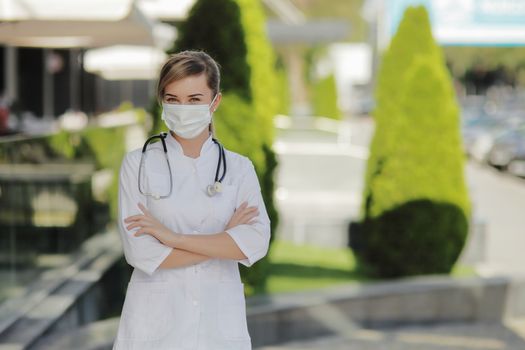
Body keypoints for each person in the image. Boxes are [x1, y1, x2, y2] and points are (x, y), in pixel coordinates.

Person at [112, 50, 271, 350]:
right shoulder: (139, 164)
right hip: (155, 327)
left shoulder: (238, 168)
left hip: (219, 327)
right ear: (162, 101)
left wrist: (171, 237)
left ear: (215, 102)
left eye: (194, 99)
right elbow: (142, 254)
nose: (182, 108)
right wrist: (224, 242)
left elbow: (255, 243)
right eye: (173, 99)